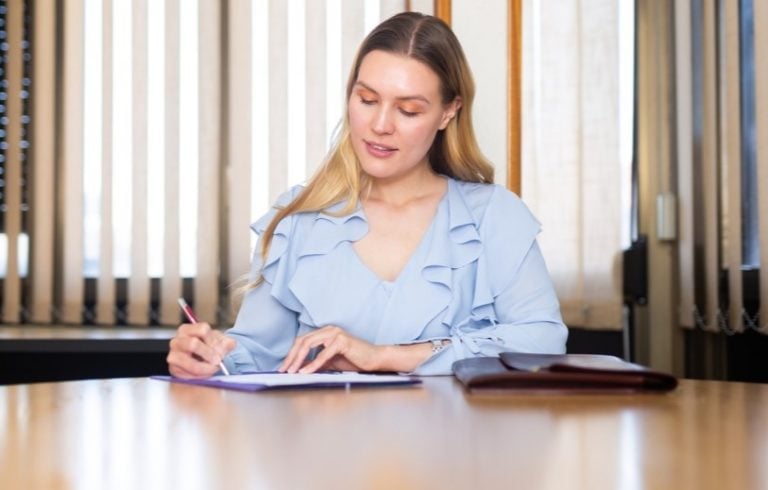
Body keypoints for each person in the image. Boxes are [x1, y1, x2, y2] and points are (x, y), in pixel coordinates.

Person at [167, 11, 567, 379]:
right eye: (367, 100)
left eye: (408, 110)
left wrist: (384, 356)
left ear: (448, 112)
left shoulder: (493, 216)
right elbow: (255, 356)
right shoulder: (298, 218)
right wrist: (209, 359)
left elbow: (542, 341)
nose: (379, 125)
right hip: (322, 453)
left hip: (453, 454)